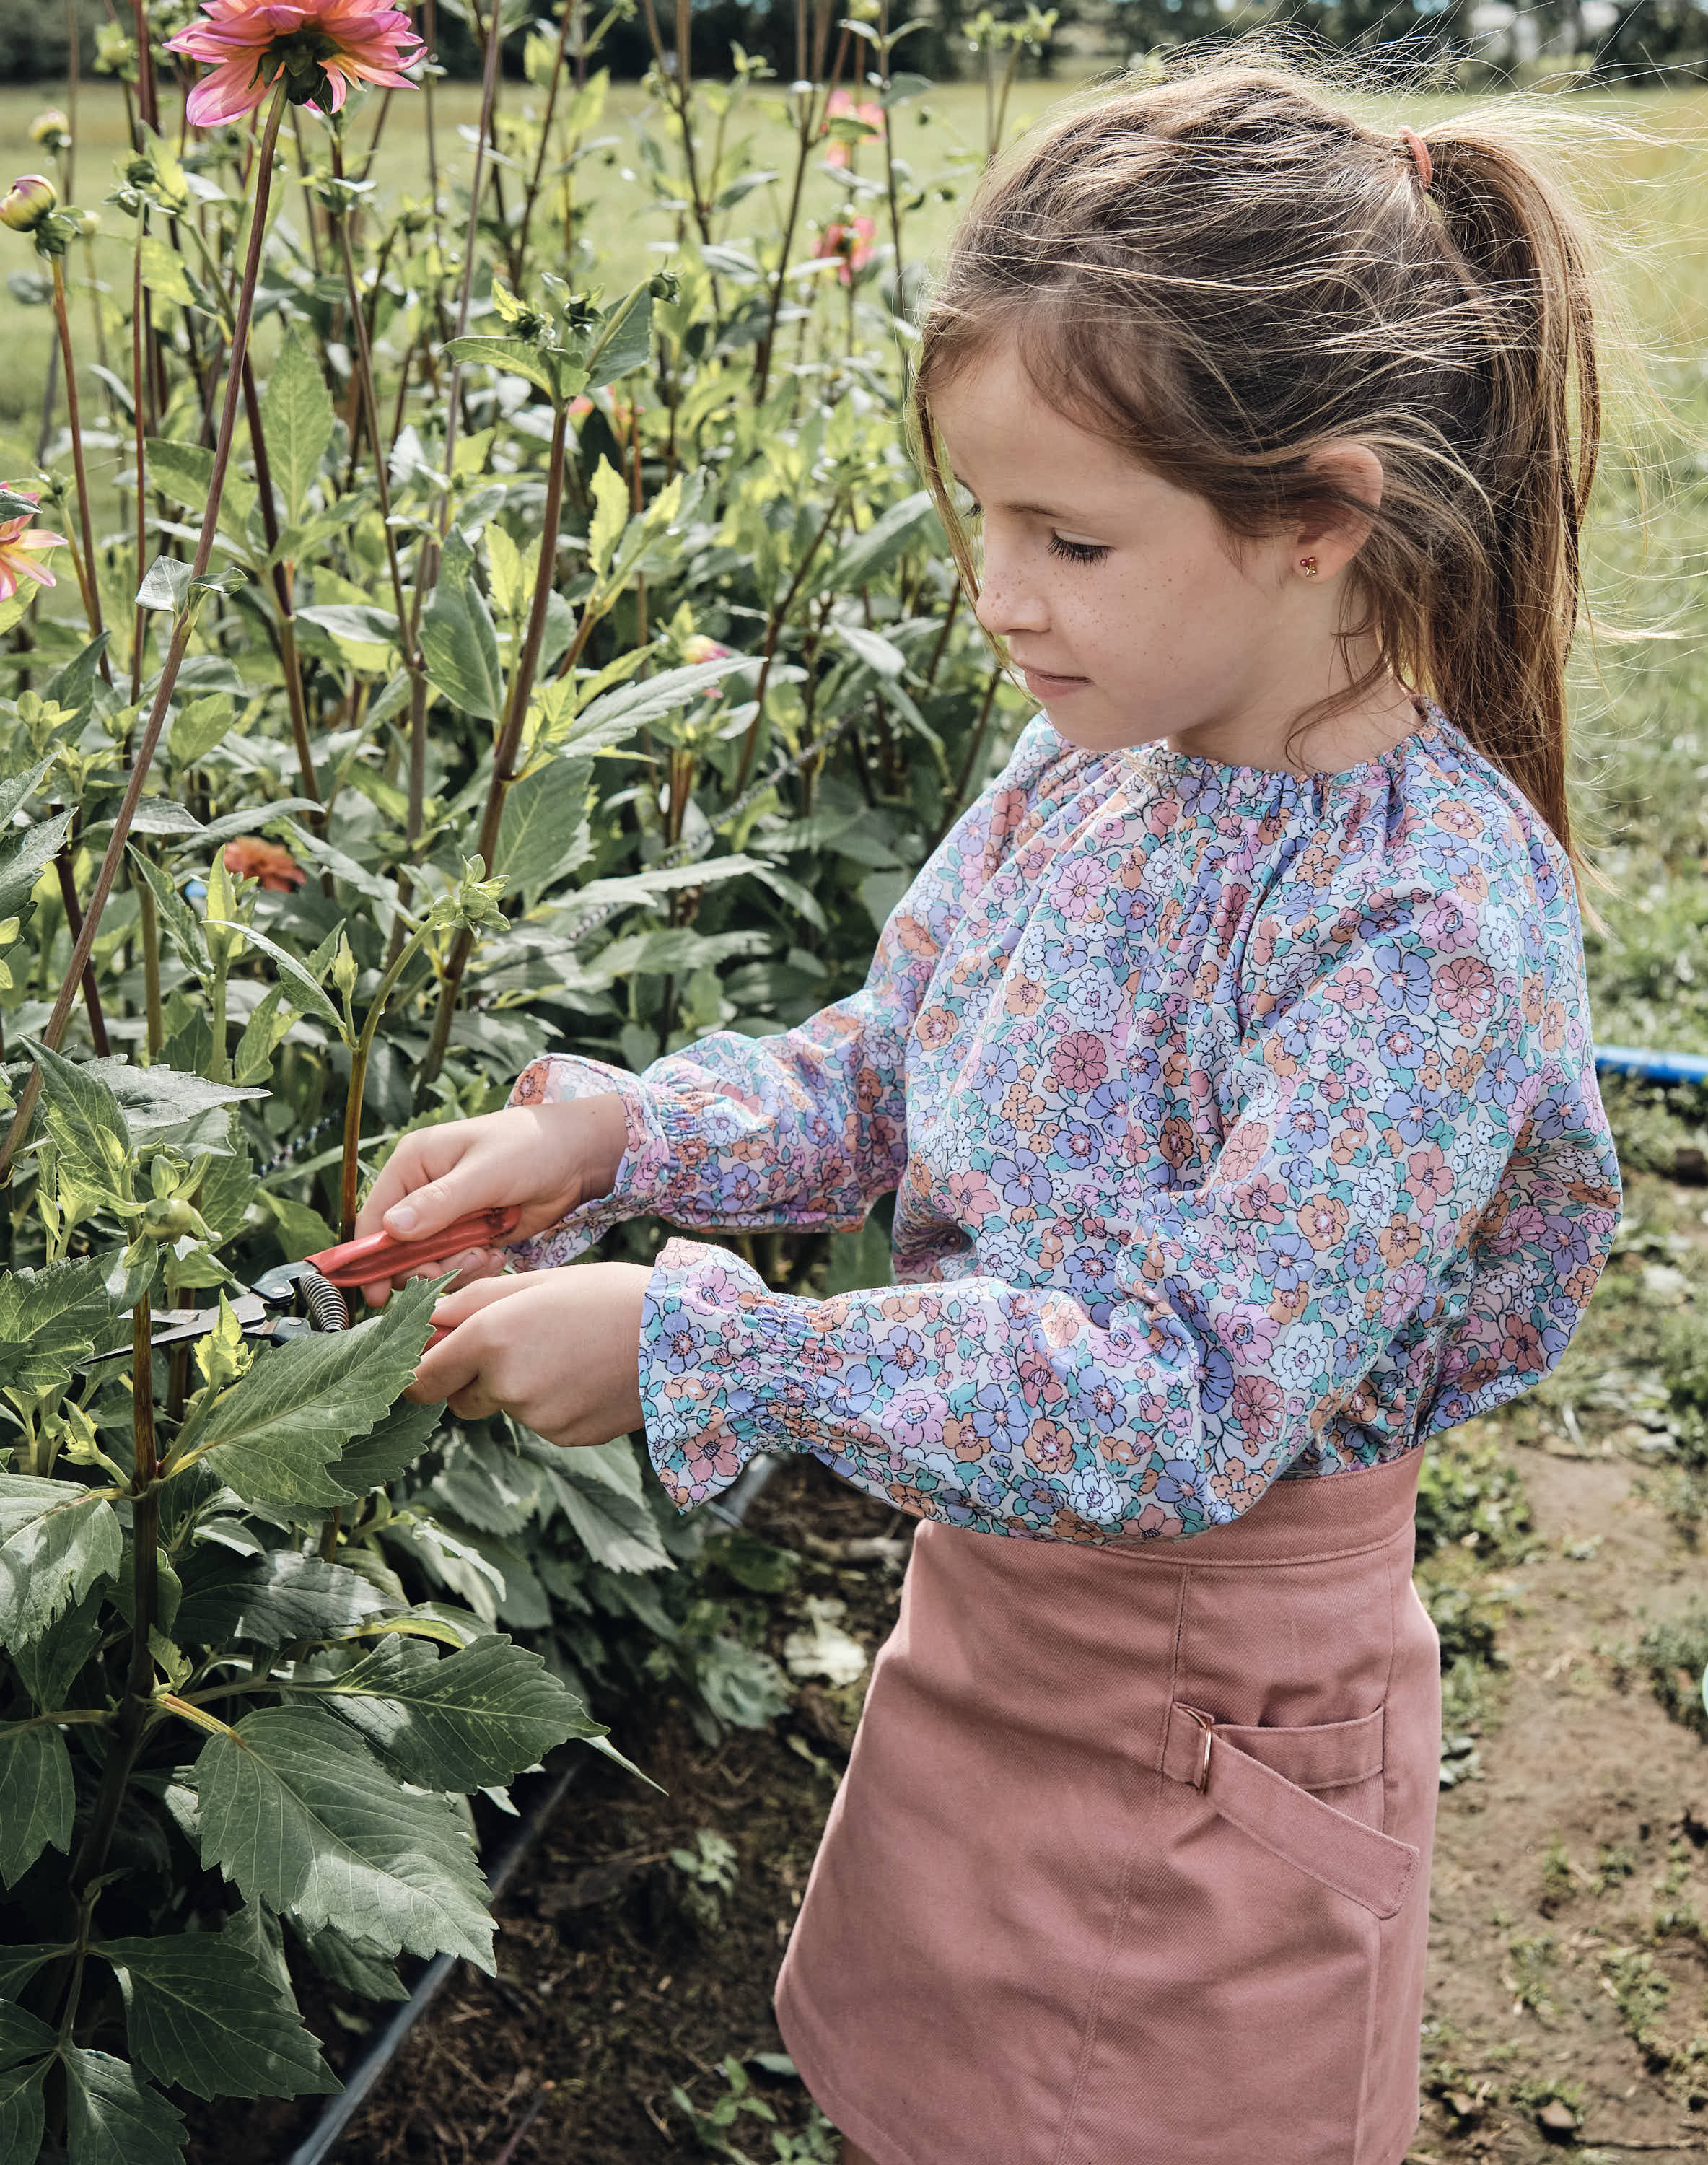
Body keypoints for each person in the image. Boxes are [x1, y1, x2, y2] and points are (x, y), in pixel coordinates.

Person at [355, 53, 1624, 2165]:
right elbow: (895, 1066)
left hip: (1219, 1704)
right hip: (993, 1632)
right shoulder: (1094, 757)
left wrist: (715, 1347)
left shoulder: (1426, 932)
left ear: (1319, 516)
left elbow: (1173, 1398)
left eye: (1069, 534)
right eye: (983, 521)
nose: (1000, 595)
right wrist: (619, 1140)